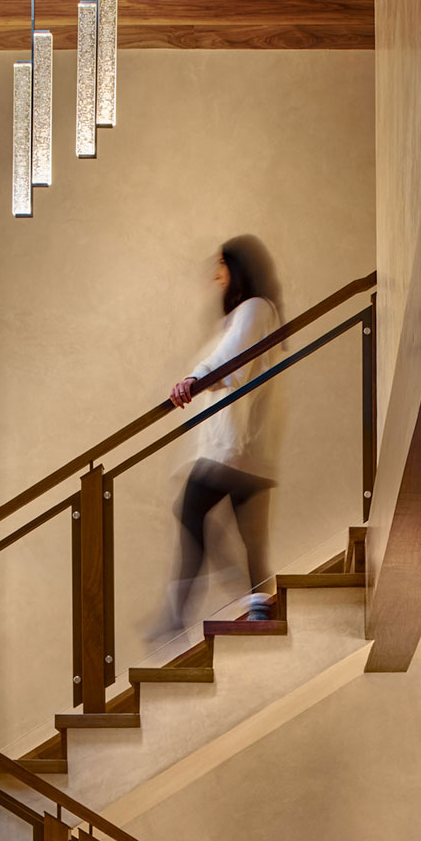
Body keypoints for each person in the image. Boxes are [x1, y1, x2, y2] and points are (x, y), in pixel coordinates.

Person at [151, 234, 284, 646]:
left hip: (233, 448)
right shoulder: (255, 313)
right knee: (247, 535)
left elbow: (233, 358)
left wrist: (195, 378)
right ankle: (257, 602)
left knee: (191, 511)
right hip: (245, 451)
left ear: (237, 269)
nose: (216, 276)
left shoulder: (255, 309)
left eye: (222, 267)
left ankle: (178, 616)